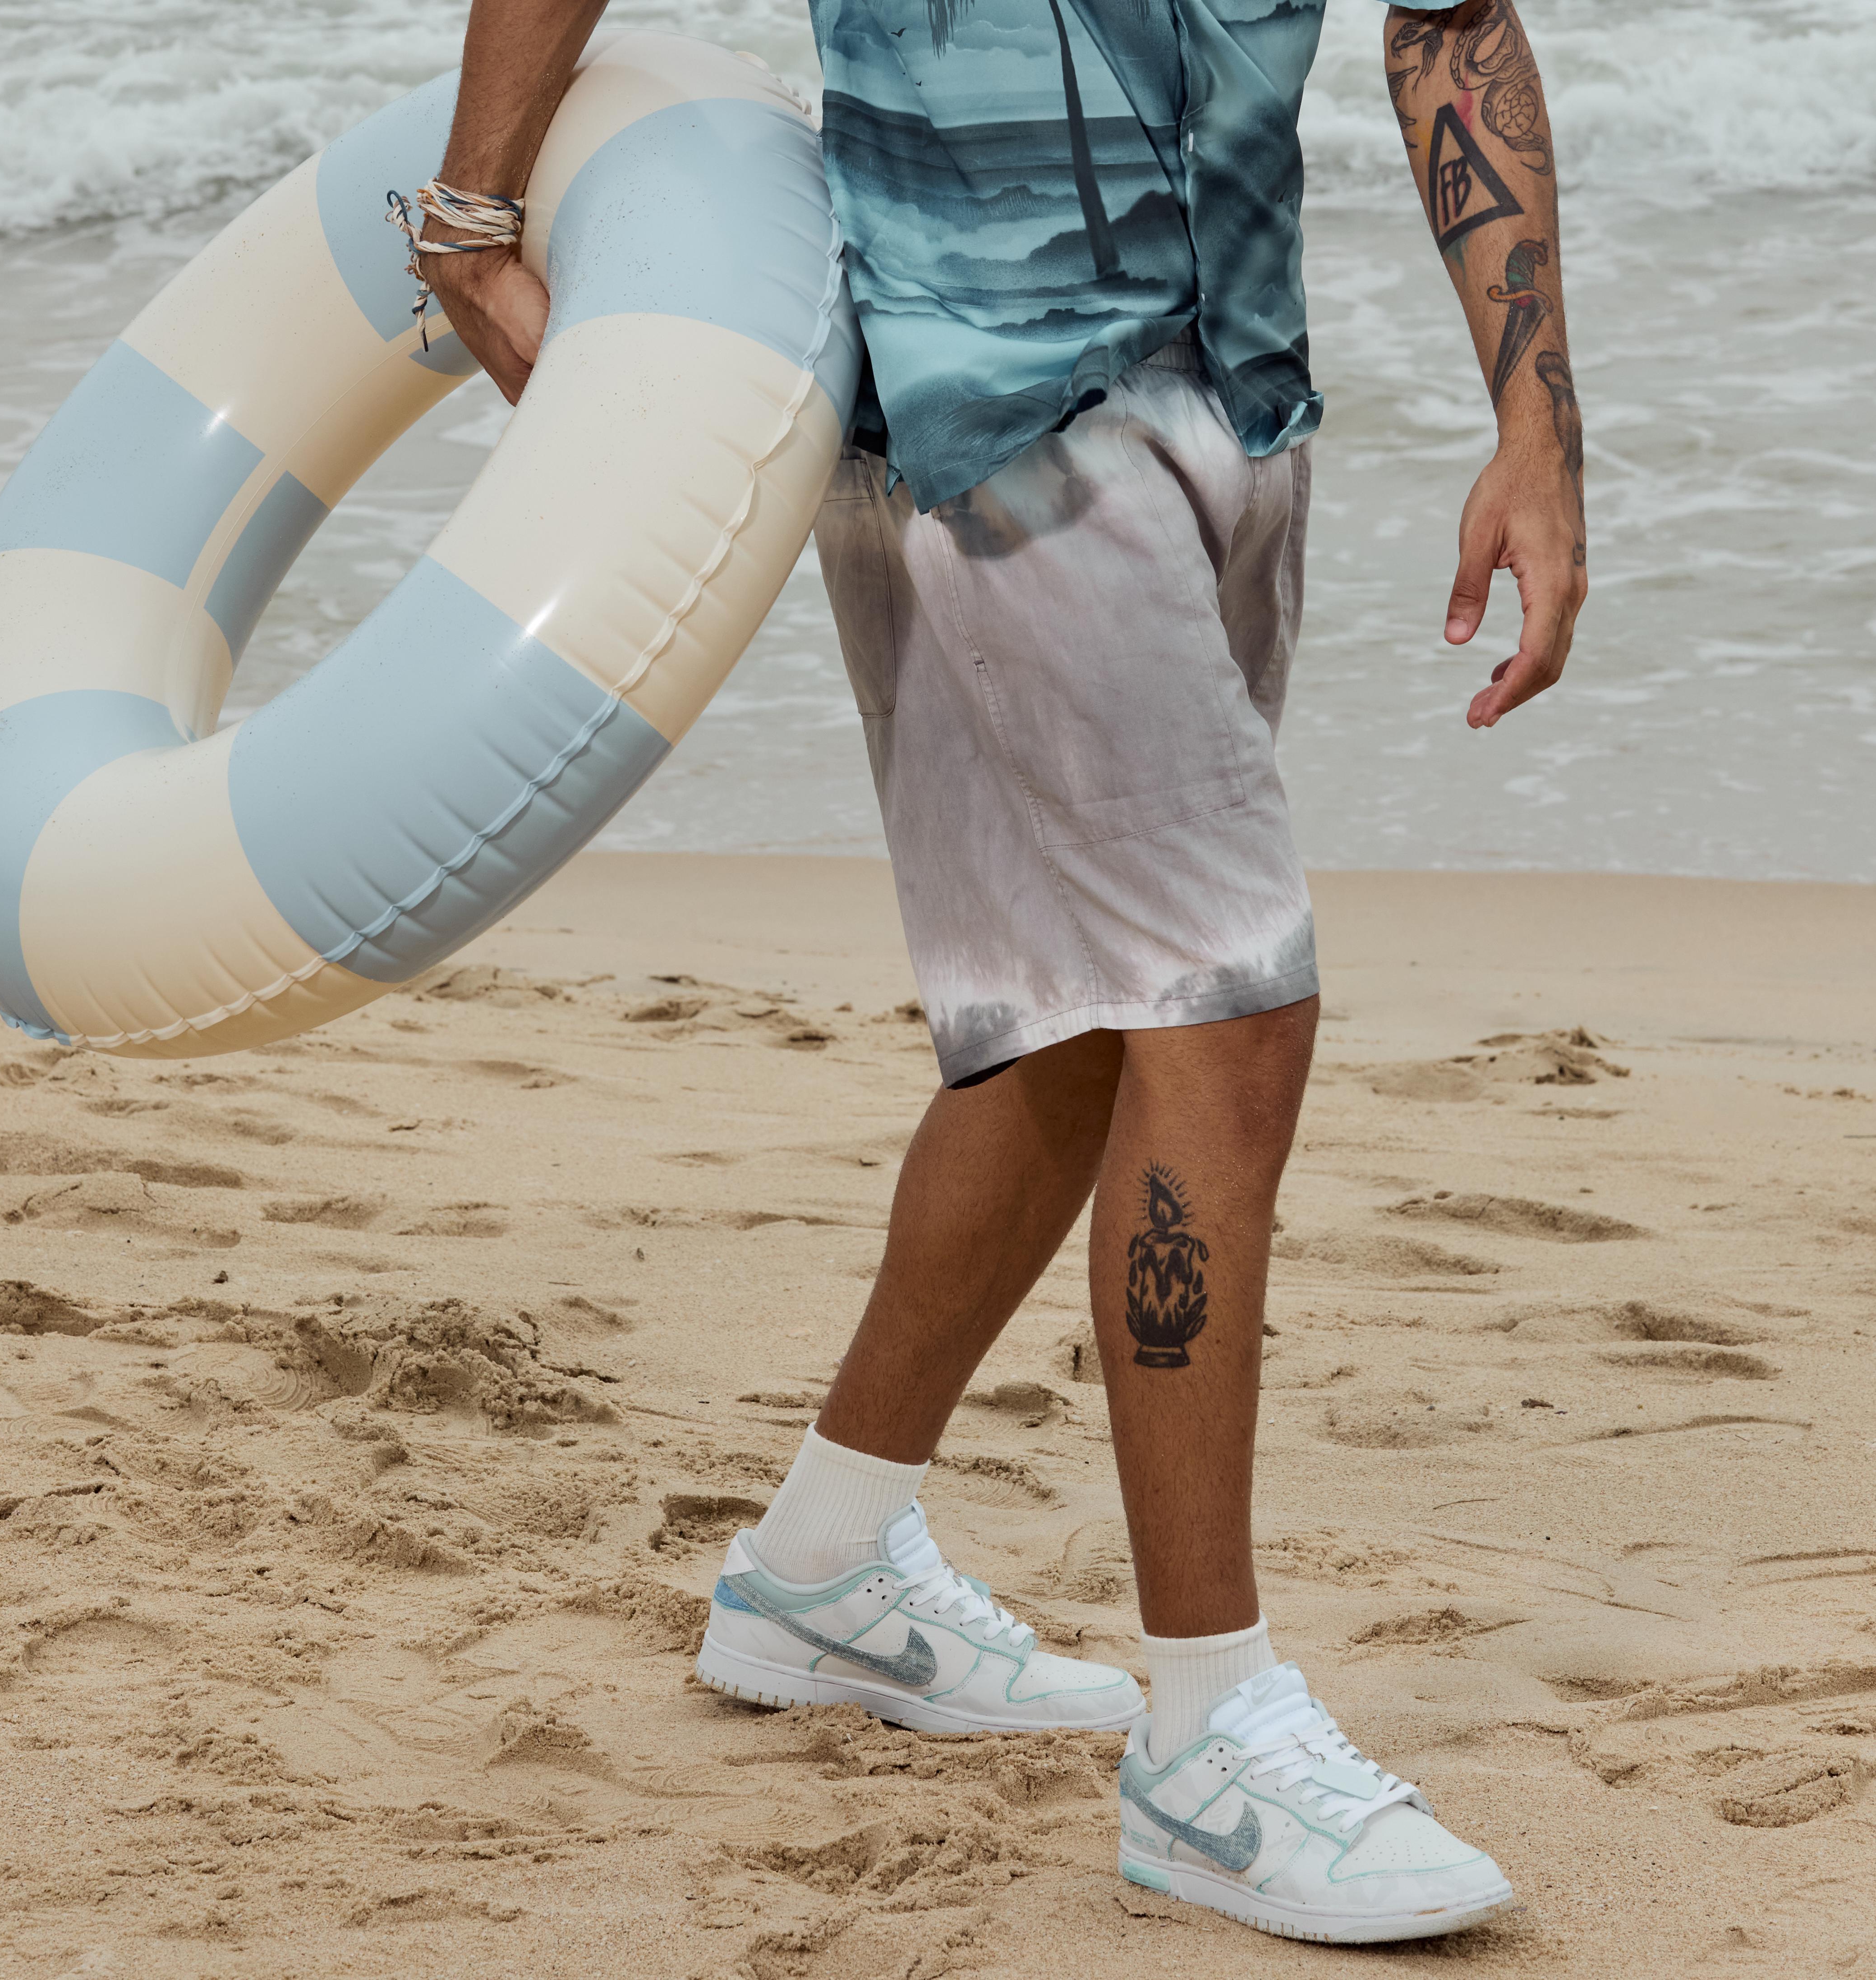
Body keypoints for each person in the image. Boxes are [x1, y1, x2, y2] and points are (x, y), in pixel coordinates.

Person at [428, 0, 1584, 1944]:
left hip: (1236, 384)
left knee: (1074, 1027)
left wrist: (1536, 428)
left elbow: (1449, 20)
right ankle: (1209, 1741)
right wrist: (471, 219)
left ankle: (823, 1565)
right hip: (992, 402)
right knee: (1226, 1009)